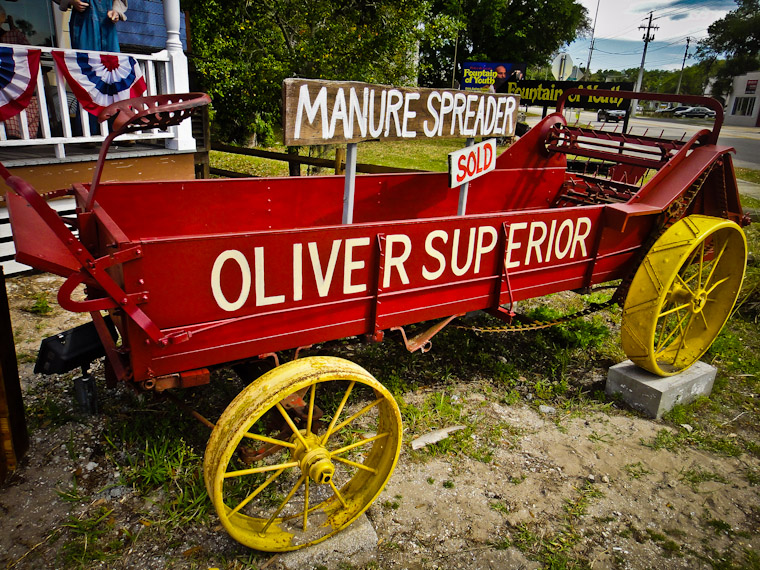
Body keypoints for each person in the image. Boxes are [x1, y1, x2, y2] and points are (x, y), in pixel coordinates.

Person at [0, 7, 41, 139]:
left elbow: (29, 51)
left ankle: (16, 132)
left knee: (27, 98)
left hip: (14, 77)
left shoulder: (13, 35)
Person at [53, 0, 127, 52]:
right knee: (86, 64)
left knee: (111, 65)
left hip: (108, 27)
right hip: (84, 25)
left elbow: (120, 1)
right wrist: (72, 1)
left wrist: (116, 11)